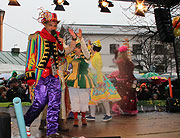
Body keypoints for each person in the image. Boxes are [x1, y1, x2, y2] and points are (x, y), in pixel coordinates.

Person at [24, 9, 77, 137]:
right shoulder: (35, 37)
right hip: (40, 75)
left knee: (55, 103)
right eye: (50, 25)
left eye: (55, 25)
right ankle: (26, 121)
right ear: (45, 24)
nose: (53, 27)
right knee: (40, 102)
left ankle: (52, 132)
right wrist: (30, 76)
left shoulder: (56, 40)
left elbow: (62, 56)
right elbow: (30, 57)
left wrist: (65, 42)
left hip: (54, 75)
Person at [86, 40, 121, 121]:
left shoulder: (97, 56)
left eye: (91, 47)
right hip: (94, 79)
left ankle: (108, 114)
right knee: (93, 97)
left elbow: (98, 68)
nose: (90, 49)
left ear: (94, 48)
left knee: (104, 97)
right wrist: (88, 45)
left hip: (98, 79)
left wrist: (99, 80)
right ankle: (92, 115)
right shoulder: (94, 56)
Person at [65, 33, 94, 127]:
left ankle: (83, 117)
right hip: (72, 80)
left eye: (76, 48)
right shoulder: (72, 58)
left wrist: (81, 38)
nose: (74, 49)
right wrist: (61, 42)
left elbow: (85, 49)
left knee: (84, 99)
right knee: (74, 100)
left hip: (83, 80)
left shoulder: (86, 57)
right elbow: (66, 48)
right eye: (75, 48)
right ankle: (76, 118)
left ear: (80, 48)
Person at [114, 46, 138, 115]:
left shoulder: (120, 62)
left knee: (122, 95)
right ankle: (128, 109)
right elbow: (129, 72)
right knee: (130, 96)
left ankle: (121, 107)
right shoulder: (128, 63)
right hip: (128, 80)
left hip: (121, 81)